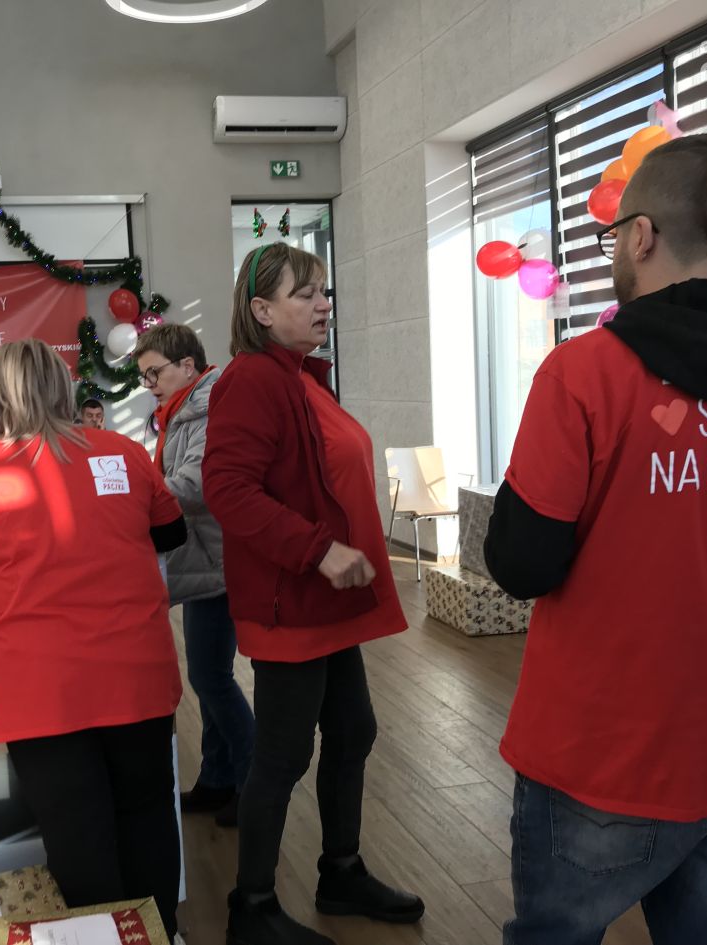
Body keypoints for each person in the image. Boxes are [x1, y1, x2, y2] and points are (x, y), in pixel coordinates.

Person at [484, 134, 707, 945]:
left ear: (640, 236)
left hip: (601, 754)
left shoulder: (582, 374)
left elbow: (521, 562)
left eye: (613, 236)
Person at [204, 242, 425, 945]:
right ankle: (252, 906)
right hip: (290, 600)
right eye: (305, 294)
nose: (323, 304)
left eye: (324, 291)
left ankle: (341, 871)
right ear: (261, 310)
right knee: (282, 755)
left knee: (354, 730)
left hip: (324, 600)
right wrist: (318, 549)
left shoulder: (301, 377)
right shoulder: (252, 380)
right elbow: (228, 489)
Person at [0, 339, 186, 939]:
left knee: (77, 832)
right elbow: (171, 533)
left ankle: (101, 935)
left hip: (40, 685)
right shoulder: (122, 450)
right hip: (136, 670)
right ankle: (160, 933)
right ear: (63, 389)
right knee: (148, 813)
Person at [134, 323, 255, 829]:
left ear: (188, 366)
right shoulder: (184, 410)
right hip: (207, 559)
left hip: (222, 561)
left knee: (210, 677)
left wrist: (132, 493)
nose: (150, 386)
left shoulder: (210, 410)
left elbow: (194, 484)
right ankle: (218, 779)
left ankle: (254, 787)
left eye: (154, 373)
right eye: (144, 377)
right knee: (209, 675)